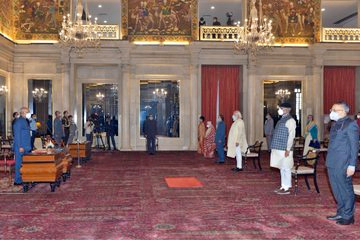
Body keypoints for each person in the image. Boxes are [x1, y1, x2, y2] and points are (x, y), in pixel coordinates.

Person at [326, 101, 359, 225]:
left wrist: (352, 165)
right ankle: (340, 212)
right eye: (331, 110)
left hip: (344, 163)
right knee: (336, 190)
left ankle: (348, 216)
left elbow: (354, 147)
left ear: (344, 111)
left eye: (335, 110)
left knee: (345, 189)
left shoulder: (351, 124)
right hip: (332, 162)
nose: (331, 112)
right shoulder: (335, 124)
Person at [270, 102, 296, 195]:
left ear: (286, 109)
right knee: (282, 167)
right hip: (279, 148)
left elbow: (291, 136)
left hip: (285, 149)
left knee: (286, 168)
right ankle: (283, 185)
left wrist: (288, 149)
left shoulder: (291, 121)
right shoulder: (282, 119)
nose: (279, 110)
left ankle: (287, 187)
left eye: (280, 108)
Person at [13, 107, 31, 185]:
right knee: (18, 163)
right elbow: (17, 135)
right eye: (28, 112)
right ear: (23, 112)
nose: (29, 114)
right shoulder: (18, 121)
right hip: (20, 147)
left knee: (26, 164)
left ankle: (24, 177)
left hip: (26, 146)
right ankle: (17, 180)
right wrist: (20, 146)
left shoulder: (25, 121)